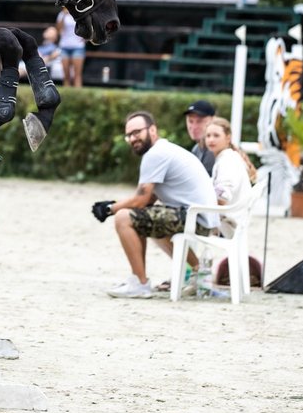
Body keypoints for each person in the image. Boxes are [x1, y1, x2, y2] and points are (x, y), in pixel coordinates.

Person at [91, 111, 218, 299]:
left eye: (137, 132)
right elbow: (147, 201)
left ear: (152, 130)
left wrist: (110, 208)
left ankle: (139, 284)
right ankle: (198, 273)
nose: (133, 138)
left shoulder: (155, 154)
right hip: (203, 219)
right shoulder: (163, 150)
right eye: (129, 135)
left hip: (195, 219)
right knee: (145, 220)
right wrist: (117, 205)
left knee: (123, 218)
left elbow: (140, 200)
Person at [204, 117, 257, 208]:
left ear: (228, 138)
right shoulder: (230, 156)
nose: (211, 140)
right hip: (235, 216)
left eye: (216, 135)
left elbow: (222, 198)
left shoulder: (227, 161)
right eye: (208, 136)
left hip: (228, 219)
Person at [183, 100, 217, 174]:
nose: (194, 127)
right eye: (190, 121)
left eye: (200, 121)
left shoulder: (214, 151)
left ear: (213, 119)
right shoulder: (196, 149)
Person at [55, 6, 86, 87]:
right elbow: (58, 30)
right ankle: (66, 96)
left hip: (78, 46)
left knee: (77, 75)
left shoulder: (80, 14)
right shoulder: (62, 14)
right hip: (65, 46)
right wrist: (64, 15)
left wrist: (85, 39)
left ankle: (78, 96)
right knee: (66, 75)